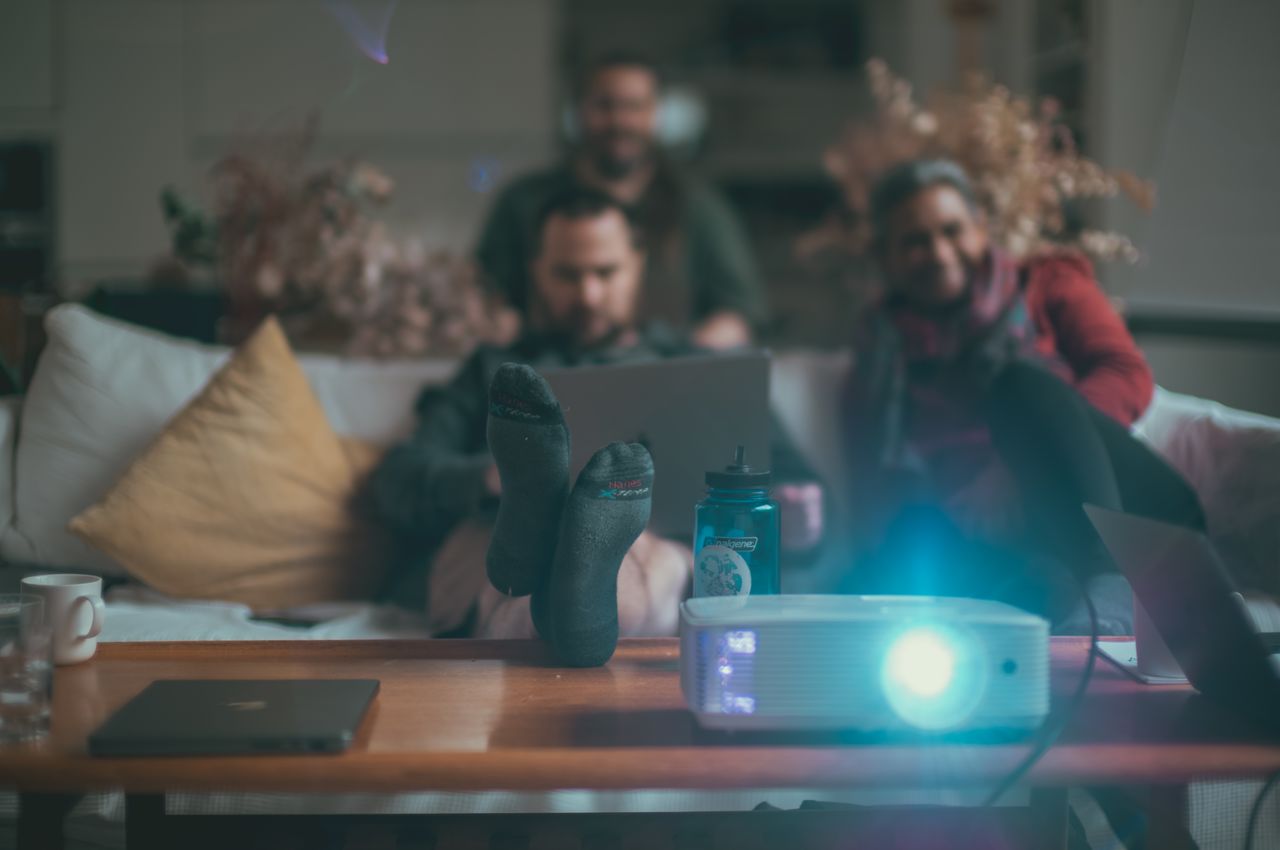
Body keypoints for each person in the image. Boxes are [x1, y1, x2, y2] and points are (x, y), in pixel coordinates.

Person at [371, 187, 819, 665]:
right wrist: (492, 478)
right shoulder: (495, 371)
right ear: (536, 269)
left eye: (605, 273)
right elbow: (398, 478)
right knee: (562, 561)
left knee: (636, 553)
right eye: (567, 275)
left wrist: (805, 518)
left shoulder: (701, 370)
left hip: (659, 545)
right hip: (488, 537)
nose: (588, 294)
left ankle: (565, 572)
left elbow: (791, 477)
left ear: (637, 264)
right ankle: (564, 575)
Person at [841, 159, 1205, 633]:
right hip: (1006, 536)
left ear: (981, 228)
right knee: (893, 549)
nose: (939, 252)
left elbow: (1124, 372)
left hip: (1127, 517)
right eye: (914, 241)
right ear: (884, 256)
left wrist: (1015, 464)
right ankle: (1051, 594)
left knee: (1017, 387)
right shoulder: (878, 351)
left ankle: (1108, 584)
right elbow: (876, 482)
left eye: (953, 230)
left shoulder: (1047, 284)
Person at [475, 52, 765, 350]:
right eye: (604, 105)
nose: (619, 121)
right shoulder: (523, 201)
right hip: (546, 375)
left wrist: (683, 353)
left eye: (634, 106)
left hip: (666, 377)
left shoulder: (699, 207)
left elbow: (739, 312)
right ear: (578, 111)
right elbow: (483, 298)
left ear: (656, 113)